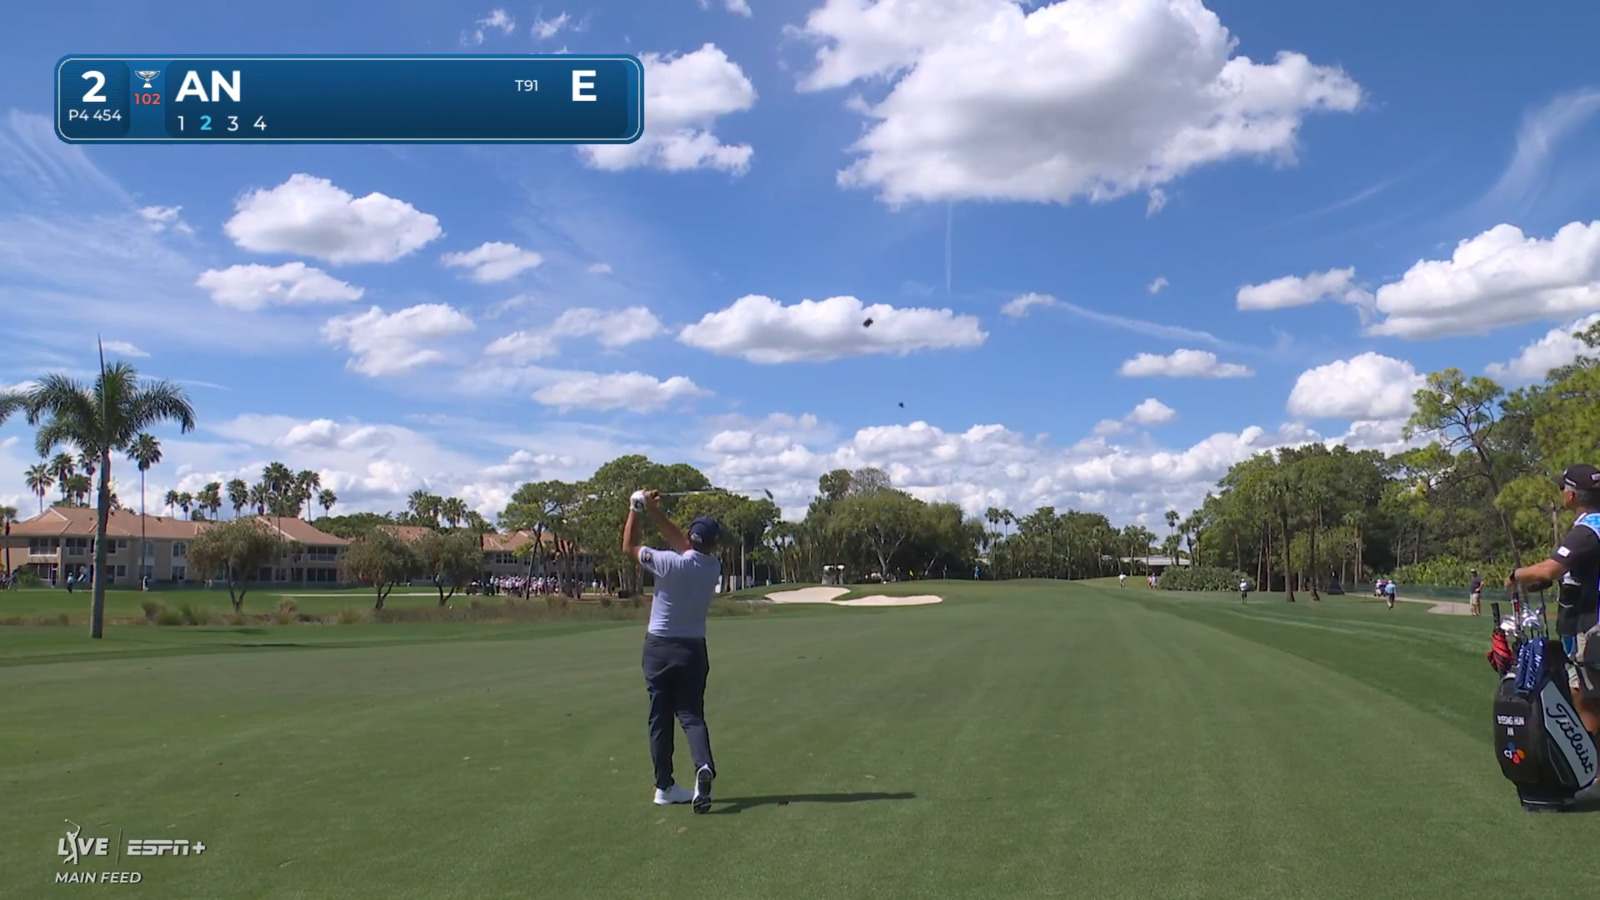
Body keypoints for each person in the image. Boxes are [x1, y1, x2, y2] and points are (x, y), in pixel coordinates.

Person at [622, 489, 722, 814]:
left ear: (690, 539)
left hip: (658, 649)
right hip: (692, 650)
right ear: (713, 545)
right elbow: (682, 541)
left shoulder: (666, 563)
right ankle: (703, 766)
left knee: (659, 718)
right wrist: (652, 510)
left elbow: (629, 547)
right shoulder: (712, 567)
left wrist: (638, 509)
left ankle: (664, 786)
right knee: (691, 715)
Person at [1507, 463, 1600, 736]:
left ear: (1572, 495)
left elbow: (1550, 568)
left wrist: (1516, 575)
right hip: (1585, 622)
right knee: (1580, 690)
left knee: (1588, 702)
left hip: (1591, 624)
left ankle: (1591, 773)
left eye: (1564, 488)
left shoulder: (1588, 529)